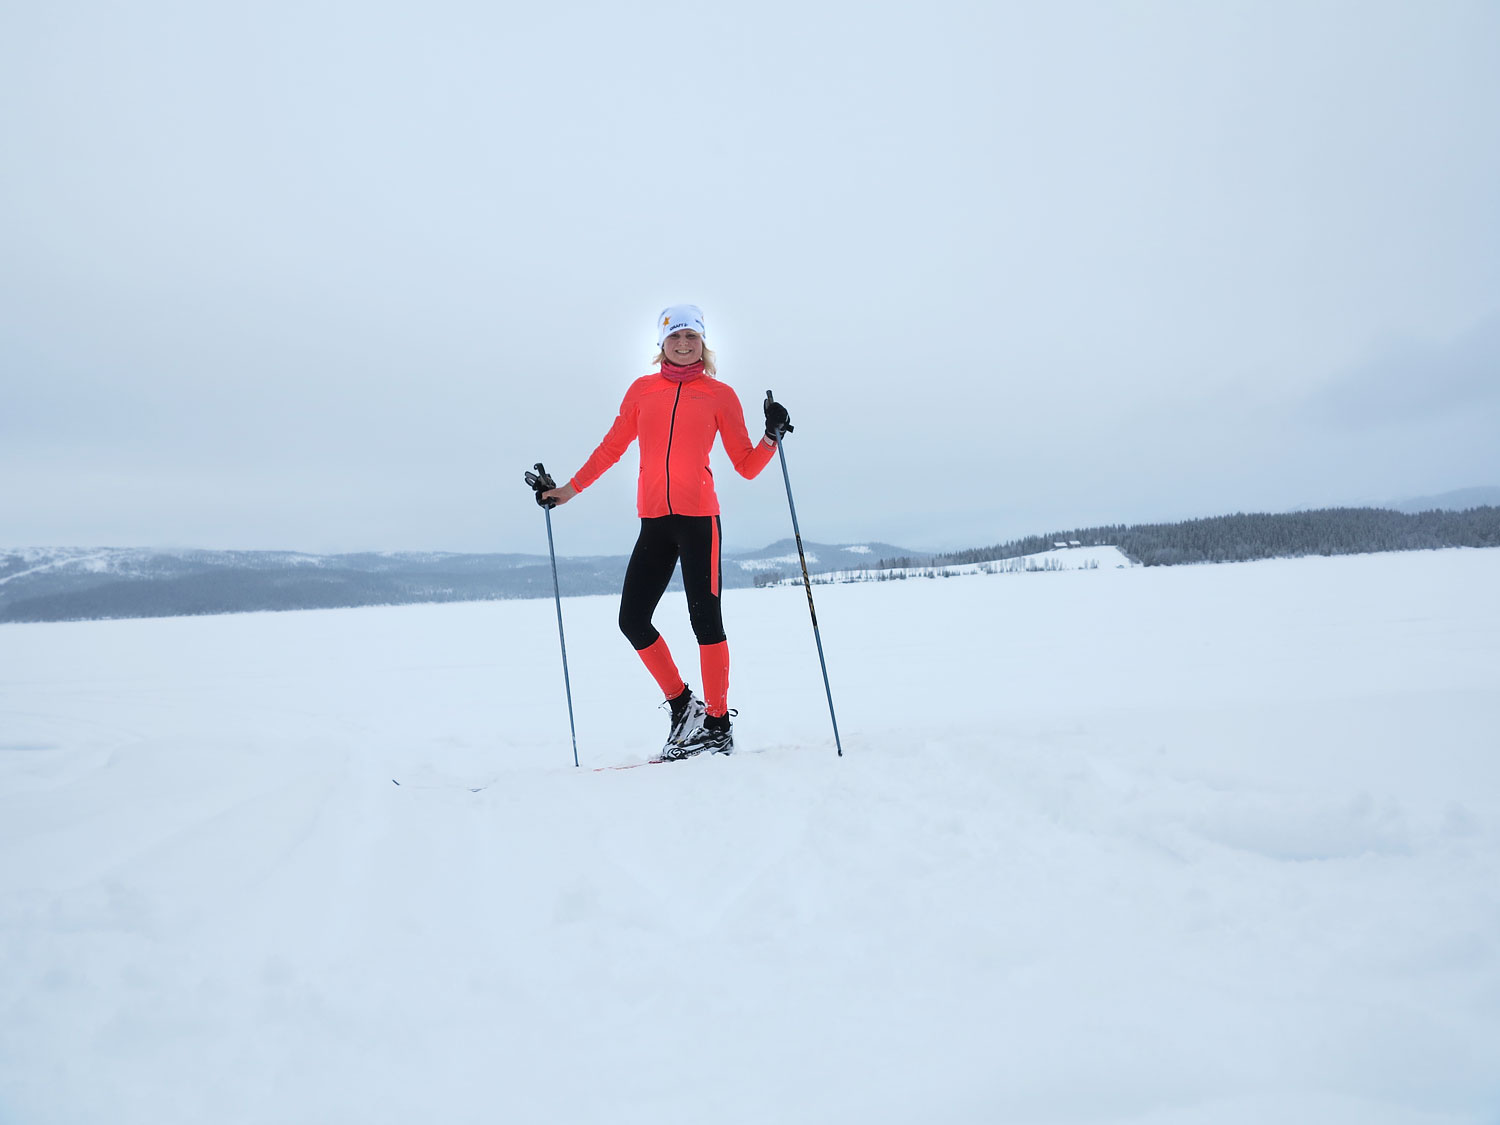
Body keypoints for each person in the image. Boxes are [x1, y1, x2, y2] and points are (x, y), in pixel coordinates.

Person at [542, 304, 791, 760]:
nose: (682, 344)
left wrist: (771, 437)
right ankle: (683, 706)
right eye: (674, 337)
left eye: (690, 337)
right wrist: (566, 492)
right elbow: (611, 448)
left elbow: (746, 466)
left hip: (700, 521)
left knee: (705, 621)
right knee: (632, 620)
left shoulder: (720, 395)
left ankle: (717, 725)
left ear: (702, 343)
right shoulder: (641, 392)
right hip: (654, 522)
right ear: (661, 345)